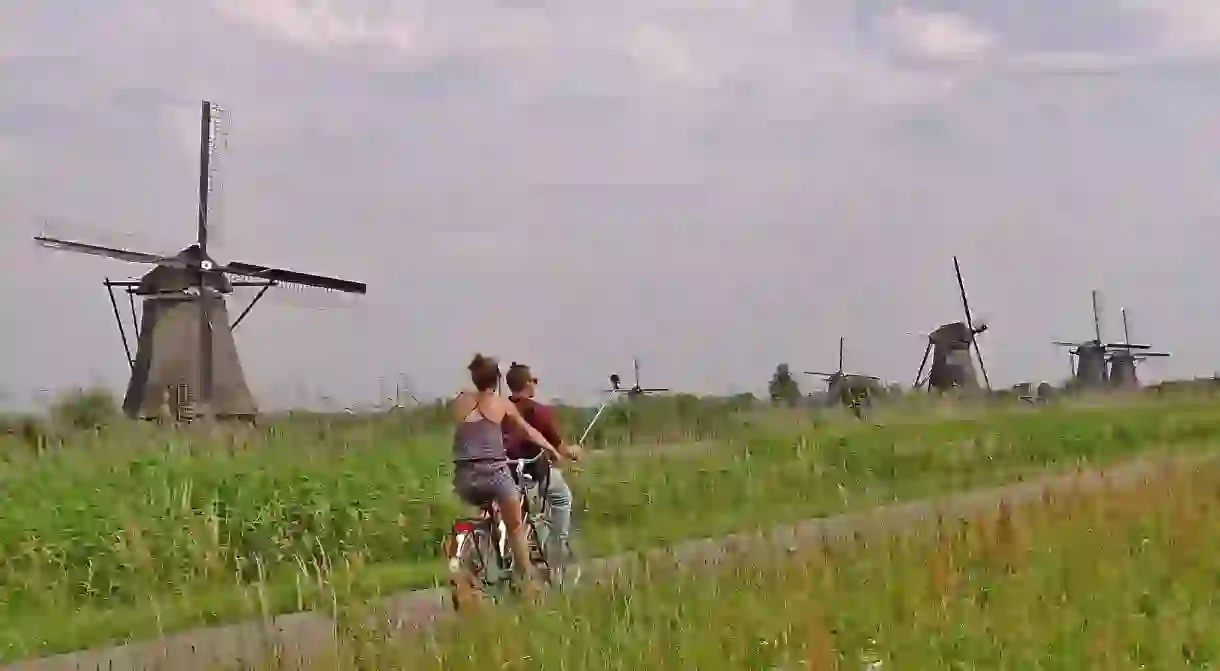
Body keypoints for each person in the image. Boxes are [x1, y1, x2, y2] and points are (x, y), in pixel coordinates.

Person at [451, 354, 563, 591]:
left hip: (463, 478)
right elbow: (530, 432)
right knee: (515, 527)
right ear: (498, 380)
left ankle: (478, 555)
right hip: (494, 474)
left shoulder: (460, 401)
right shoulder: (501, 403)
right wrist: (552, 450)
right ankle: (529, 584)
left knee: (488, 511)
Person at [503, 362, 582, 564]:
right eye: (534, 381)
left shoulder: (499, 410)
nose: (535, 385)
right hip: (532, 472)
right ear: (527, 383)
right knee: (562, 498)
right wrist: (573, 452)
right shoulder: (538, 412)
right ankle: (557, 548)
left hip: (504, 472)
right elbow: (560, 447)